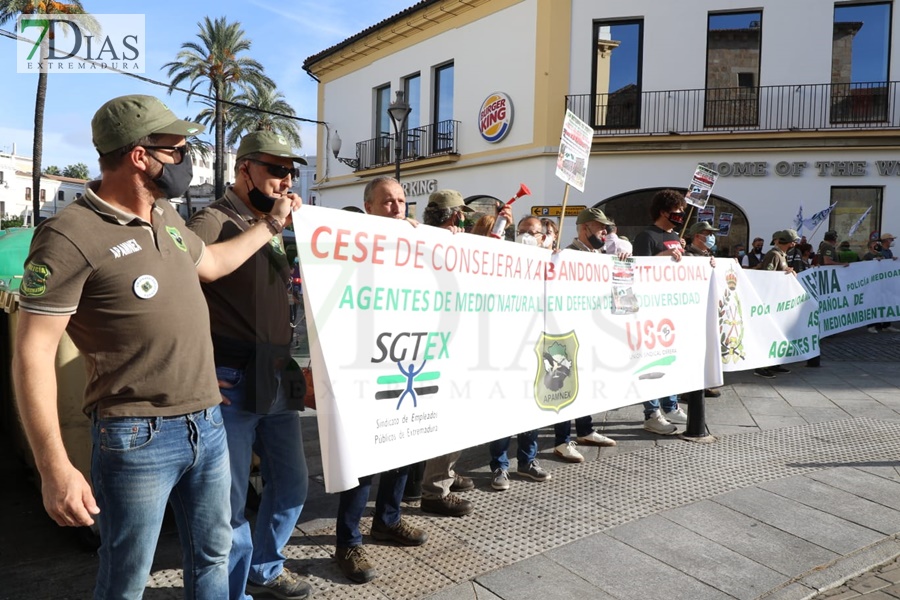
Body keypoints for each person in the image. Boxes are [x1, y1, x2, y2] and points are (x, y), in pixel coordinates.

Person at [12, 94, 301, 599]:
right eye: (176, 150)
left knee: (212, 554)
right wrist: (54, 467)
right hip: (134, 436)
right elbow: (33, 353)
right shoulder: (68, 235)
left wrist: (272, 225)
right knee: (127, 577)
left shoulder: (165, 214)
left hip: (208, 423)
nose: (185, 161)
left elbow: (210, 264)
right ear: (139, 156)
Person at [187, 131, 311, 600]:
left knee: (293, 482)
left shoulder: (270, 221)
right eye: (276, 170)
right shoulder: (213, 219)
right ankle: (234, 591)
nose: (286, 180)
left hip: (277, 373)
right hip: (233, 380)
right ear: (245, 171)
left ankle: (266, 566)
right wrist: (200, 369)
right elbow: (189, 282)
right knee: (230, 502)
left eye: (290, 171)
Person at [335, 176, 429, 584]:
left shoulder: (415, 244)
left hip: (407, 357)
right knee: (363, 457)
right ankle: (348, 540)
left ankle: (388, 520)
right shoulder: (352, 243)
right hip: (365, 363)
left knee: (402, 445)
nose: (396, 208)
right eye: (387, 202)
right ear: (368, 207)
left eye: (402, 201)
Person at [479, 208, 550, 491]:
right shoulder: (505, 259)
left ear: (544, 237)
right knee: (503, 410)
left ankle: (527, 462)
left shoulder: (554, 262)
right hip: (504, 348)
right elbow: (490, 247)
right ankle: (499, 466)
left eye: (531, 232)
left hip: (536, 347)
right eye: (520, 231)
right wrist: (500, 221)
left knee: (531, 409)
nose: (525, 237)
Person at [418, 189, 478, 516]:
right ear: (455, 216)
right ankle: (434, 490)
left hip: (442, 341)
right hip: (440, 344)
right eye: (462, 214)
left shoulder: (438, 241)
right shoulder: (439, 244)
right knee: (449, 418)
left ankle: (444, 475)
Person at [552, 207, 619, 462]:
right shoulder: (568, 255)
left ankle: (585, 429)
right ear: (584, 228)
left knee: (587, 383)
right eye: (601, 227)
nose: (605, 232)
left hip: (592, 331)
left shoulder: (600, 256)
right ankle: (561, 440)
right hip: (568, 333)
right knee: (564, 385)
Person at [632, 190, 689, 434]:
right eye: (677, 212)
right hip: (651, 310)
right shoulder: (646, 236)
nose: (681, 216)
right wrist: (661, 257)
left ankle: (670, 404)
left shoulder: (676, 235)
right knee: (653, 362)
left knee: (671, 358)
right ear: (664, 212)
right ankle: (652, 413)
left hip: (671, 308)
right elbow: (638, 269)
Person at [754, 229, 801, 379]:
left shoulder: (781, 255)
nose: (794, 243)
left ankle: (773, 363)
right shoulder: (774, 254)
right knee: (767, 334)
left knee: (775, 334)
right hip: (770, 301)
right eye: (793, 241)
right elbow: (767, 277)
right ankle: (761, 366)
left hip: (777, 300)